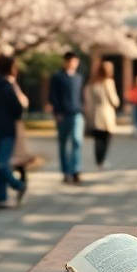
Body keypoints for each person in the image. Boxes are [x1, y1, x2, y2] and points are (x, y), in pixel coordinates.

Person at [0, 54, 28, 209]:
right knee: (2, 163)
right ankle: (18, 185)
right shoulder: (6, 86)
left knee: (0, 162)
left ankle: (0, 197)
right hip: (7, 130)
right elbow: (18, 109)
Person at [49, 50, 85, 184]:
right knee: (63, 143)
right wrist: (57, 112)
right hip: (63, 114)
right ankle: (66, 171)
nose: (73, 64)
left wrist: (83, 108)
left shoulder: (79, 77)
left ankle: (76, 170)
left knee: (77, 141)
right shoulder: (57, 77)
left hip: (77, 113)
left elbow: (81, 95)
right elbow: (53, 96)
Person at [86, 60, 121, 170]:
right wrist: (117, 102)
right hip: (106, 113)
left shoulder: (94, 83)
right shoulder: (108, 82)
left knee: (98, 139)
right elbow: (114, 100)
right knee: (106, 139)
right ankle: (101, 161)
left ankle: (98, 161)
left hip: (96, 113)